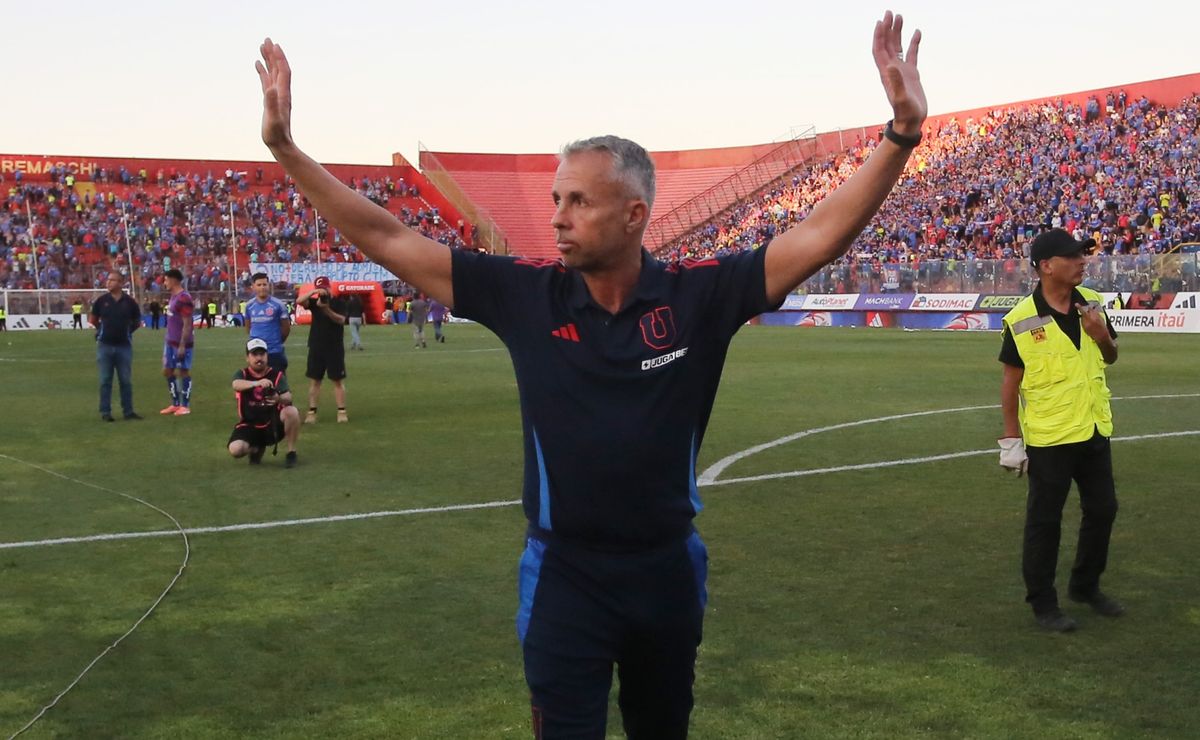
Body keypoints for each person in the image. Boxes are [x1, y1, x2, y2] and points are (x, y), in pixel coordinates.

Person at [258, 12, 926, 736]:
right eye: (554, 200)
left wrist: (900, 137)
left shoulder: (699, 295)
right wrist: (286, 151)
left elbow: (819, 233)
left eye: (579, 201)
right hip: (564, 577)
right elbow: (389, 236)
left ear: (635, 214)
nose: (558, 218)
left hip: (666, 571)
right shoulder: (526, 293)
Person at [998, 228, 1124, 633]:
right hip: (1050, 437)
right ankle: (1043, 603)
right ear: (1046, 266)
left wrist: (1102, 336)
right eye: (1073, 256)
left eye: (1083, 255)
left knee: (1103, 509)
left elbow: (1111, 356)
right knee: (1045, 522)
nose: (1082, 261)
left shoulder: (1093, 305)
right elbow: (1010, 383)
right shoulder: (1020, 320)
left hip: (1092, 428)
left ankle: (1085, 586)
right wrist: (1011, 440)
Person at [229, 337, 300, 467]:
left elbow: (288, 397)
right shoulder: (242, 374)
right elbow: (235, 384)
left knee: (292, 411)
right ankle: (256, 449)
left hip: (271, 424)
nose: (259, 358)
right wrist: (257, 383)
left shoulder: (276, 375)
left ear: (267, 356)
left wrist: (278, 399)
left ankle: (291, 452)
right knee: (235, 449)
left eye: (262, 354)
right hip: (249, 425)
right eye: (254, 354)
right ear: (247, 358)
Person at [89, 273, 143, 421]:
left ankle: (128, 411)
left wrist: (127, 332)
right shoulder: (101, 301)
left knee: (125, 380)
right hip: (105, 345)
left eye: (112, 280)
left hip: (124, 346)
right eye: (108, 280)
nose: (108, 282)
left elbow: (137, 321)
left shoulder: (130, 302)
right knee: (105, 380)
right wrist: (101, 330)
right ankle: (105, 412)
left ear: (120, 283)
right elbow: (93, 319)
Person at [301, 276, 348, 423]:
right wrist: (314, 292)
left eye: (325, 288)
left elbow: (341, 320)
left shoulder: (338, 302)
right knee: (315, 380)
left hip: (334, 346)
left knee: (337, 380)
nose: (324, 291)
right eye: (320, 288)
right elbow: (300, 301)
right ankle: (312, 411)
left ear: (330, 287)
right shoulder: (314, 303)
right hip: (316, 345)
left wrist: (326, 309)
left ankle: (341, 411)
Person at [160, 268, 196, 416]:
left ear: (174, 280)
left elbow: (187, 324)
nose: (164, 283)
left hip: (182, 343)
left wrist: (182, 344)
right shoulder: (173, 297)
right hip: (170, 342)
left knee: (183, 371)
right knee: (167, 370)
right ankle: (175, 403)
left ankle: (185, 405)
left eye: (166, 279)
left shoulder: (184, 298)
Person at [245, 272, 292, 370]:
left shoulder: (278, 305)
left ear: (269, 286)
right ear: (253, 287)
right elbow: (248, 327)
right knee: (258, 383)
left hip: (274, 351)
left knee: (277, 383)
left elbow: (286, 328)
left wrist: (277, 341)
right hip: (256, 351)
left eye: (264, 284)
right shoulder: (249, 305)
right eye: (259, 285)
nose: (262, 287)